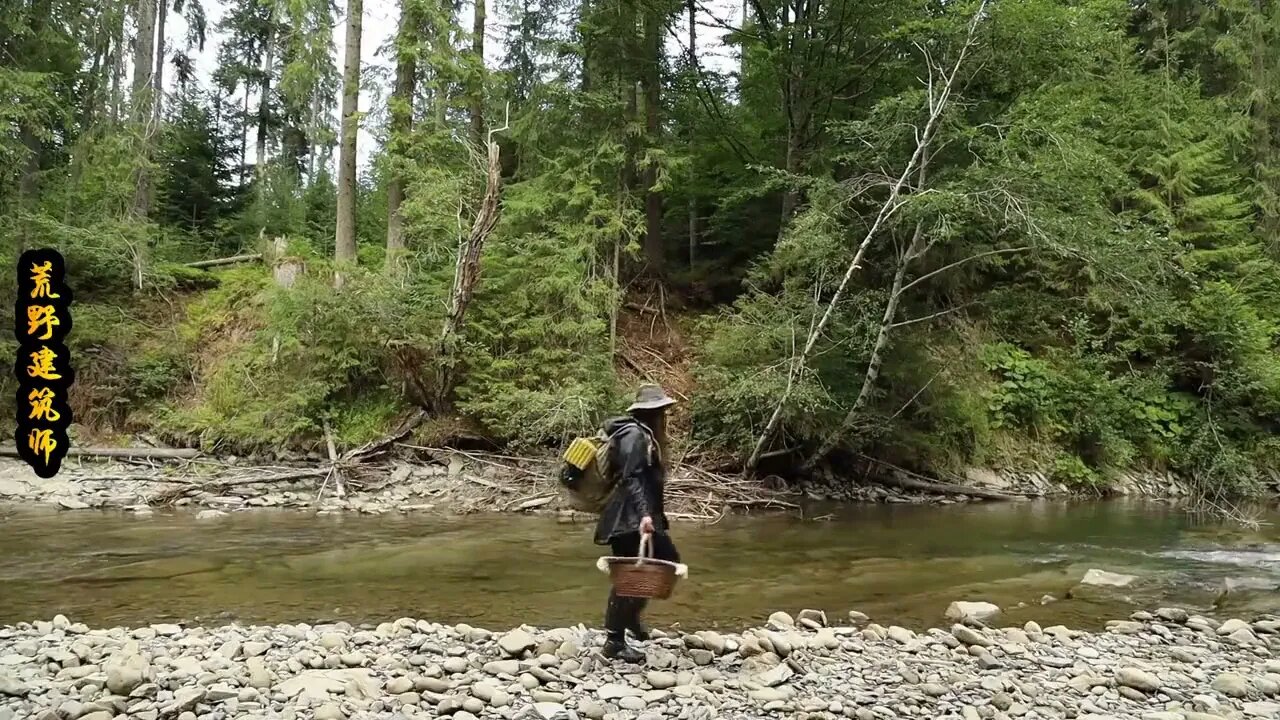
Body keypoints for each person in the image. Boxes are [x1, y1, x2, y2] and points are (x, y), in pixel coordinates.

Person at [597, 384, 681, 662]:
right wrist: (645, 514)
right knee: (630, 578)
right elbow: (631, 477)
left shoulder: (644, 435)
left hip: (641, 516)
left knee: (667, 559)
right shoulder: (634, 435)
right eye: (661, 412)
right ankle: (614, 641)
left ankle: (630, 619)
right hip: (628, 518)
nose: (664, 416)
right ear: (653, 413)